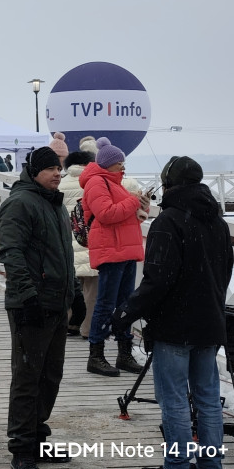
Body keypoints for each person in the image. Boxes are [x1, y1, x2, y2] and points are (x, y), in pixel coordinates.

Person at [112, 156, 232, 469]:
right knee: (208, 399)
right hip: (209, 322)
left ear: (169, 184)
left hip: (175, 326)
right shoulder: (218, 223)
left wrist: (125, 313)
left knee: (175, 399)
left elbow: (157, 280)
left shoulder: (169, 221)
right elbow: (225, 274)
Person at [0, 146, 75, 469]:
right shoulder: (21, 203)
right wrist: (27, 296)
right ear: (34, 171)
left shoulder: (53, 202)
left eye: (58, 168)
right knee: (29, 375)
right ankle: (22, 448)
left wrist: (72, 295)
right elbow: (11, 253)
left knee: (50, 374)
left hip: (57, 303)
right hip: (31, 304)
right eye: (50, 169)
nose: (58, 173)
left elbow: (62, 255)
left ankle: (38, 437)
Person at [80, 137, 150, 377]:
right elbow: (106, 214)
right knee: (106, 304)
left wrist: (142, 205)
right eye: (119, 162)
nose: (123, 165)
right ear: (108, 163)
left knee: (125, 305)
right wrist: (133, 201)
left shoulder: (114, 182)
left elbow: (126, 214)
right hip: (111, 251)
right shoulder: (96, 183)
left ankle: (124, 353)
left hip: (125, 249)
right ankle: (96, 355)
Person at [60, 147, 96, 337]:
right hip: (90, 241)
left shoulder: (60, 183)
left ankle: (68, 323)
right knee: (91, 289)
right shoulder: (94, 183)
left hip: (67, 242)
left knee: (70, 287)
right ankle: (87, 328)